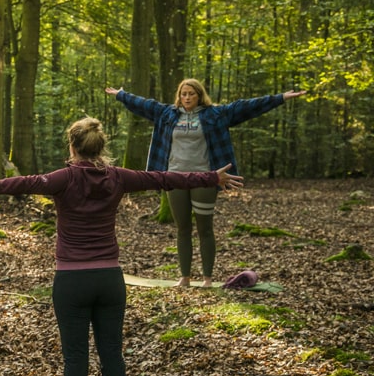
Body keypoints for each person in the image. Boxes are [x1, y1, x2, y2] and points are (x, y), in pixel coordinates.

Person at [0, 117, 243, 376]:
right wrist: (211, 176)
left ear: (73, 146)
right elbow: (163, 178)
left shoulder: (63, 178)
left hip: (72, 281)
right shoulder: (118, 177)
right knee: (111, 353)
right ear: (100, 147)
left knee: (75, 357)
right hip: (110, 279)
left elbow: (27, 183)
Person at [106, 81, 305, 287]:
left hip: (205, 178)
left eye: (191, 94)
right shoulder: (167, 114)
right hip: (174, 178)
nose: (187, 97)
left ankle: (207, 278)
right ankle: (184, 277)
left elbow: (247, 107)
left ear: (199, 95)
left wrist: (280, 97)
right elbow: (142, 104)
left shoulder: (215, 115)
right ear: (179, 96)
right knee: (182, 228)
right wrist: (121, 94)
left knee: (205, 229)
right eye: (183, 94)